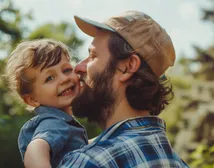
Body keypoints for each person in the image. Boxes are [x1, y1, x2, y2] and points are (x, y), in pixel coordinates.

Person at [58, 11, 189, 167]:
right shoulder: (177, 163)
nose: (78, 67)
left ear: (128, 67)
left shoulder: (90, 161)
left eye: (93, 56)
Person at [5, 39, 88, 168]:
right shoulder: (54, 123)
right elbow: (34, 150)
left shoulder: (62, 123)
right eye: (50, 78)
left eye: (66, 70)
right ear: (32, 99)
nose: (64, 79)